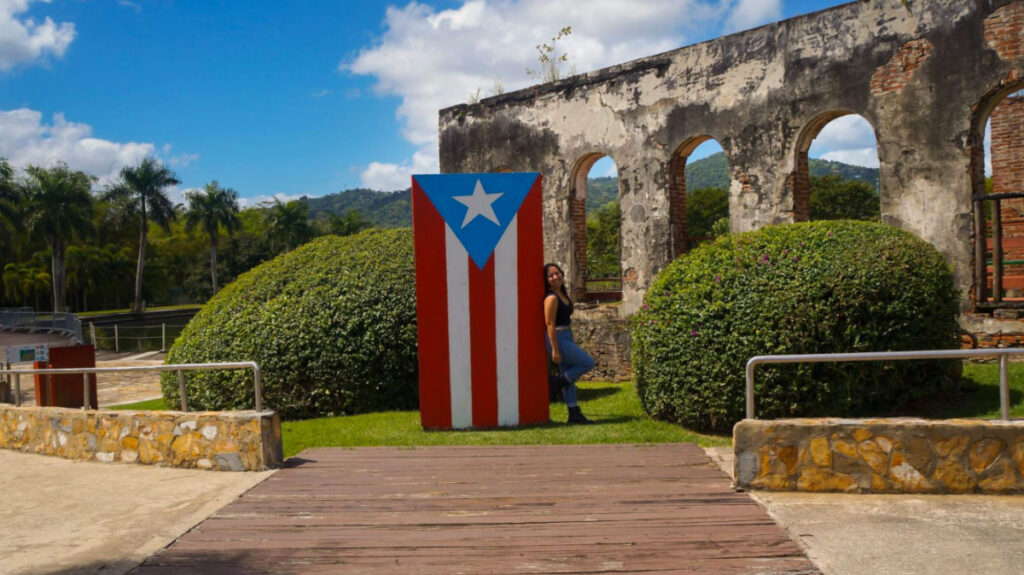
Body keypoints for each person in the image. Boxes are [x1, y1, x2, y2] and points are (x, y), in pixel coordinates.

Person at [543, 263, 596, 424]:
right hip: (557, 337)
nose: (555, 277)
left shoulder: (563, 294)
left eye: (557, 273)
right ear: (547, 280)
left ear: (562, 274)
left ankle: (573, 413)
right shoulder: (551, 297)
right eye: (550, 276)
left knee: (569, 379)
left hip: (567, 334)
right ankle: (557, 382)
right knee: (588, 362)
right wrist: (555, 350)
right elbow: (549, 324)